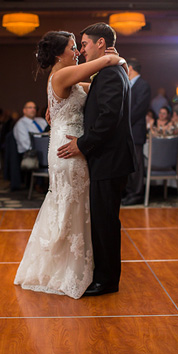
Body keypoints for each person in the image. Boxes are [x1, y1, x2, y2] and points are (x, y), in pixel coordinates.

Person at [14, 29, 129, 299]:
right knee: (68, 205)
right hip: (68, 151)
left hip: (72, 148)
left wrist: (53, 109)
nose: (77, 51)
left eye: (79, 45)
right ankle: (65, 266)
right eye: (72, 46)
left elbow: (94, 88)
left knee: (72, 206)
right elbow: (104, 64)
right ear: (59, 54)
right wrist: (117, 58)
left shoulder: (71, 79)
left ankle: (76, 264)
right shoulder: (63, 74)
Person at [55, 23, 135, 297]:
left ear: (101, 43)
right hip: (107, 159)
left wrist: (82, 144)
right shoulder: (109, 71)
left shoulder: (111, 73)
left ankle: (107, 281)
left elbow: (109, 119)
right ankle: (101, 275)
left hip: (110, 160)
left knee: (106, 223)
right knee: (102, 220)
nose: (82, 49)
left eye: (85, 43)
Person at [122, 58, 150, 206]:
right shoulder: (129, 84)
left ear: (130, 68)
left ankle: (137, 193)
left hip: (136, 130)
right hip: (128, 131)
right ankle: (129, 191)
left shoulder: (143, 85)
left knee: (137, 165)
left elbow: (139, 109)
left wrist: (123, 122)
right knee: (129, 163)